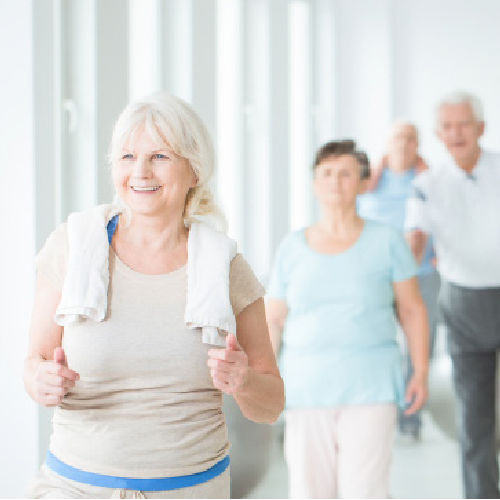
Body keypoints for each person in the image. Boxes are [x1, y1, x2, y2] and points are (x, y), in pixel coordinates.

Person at [24, 92, 284, 499]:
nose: (140, 172)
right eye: (127, 157)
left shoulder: (226, 266)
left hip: (190, 489)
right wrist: (40, 380)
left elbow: (270, 404)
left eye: (160, 156)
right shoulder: (72, 247)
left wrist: (243, 380)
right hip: (73, 487)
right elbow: (33, 363)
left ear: (194, 170)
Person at [265, 140, 429, 499]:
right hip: (305, 388)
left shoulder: (387, 241)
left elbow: (412, 310)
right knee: (309, 491)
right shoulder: (292, 246)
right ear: (313, 183)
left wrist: (419, 371)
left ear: (364, 183)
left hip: (371, 386)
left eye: (345, 174)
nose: (335, 181)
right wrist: (264, 377)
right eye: (326, 173)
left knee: (366, 491)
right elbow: (274, 317)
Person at [405, 91, 500, 499]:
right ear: (438, 134)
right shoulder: (427, 185)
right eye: (448, 126)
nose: (456, 133)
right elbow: (415, 242)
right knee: (474, 418)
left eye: (464, 124)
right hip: (463, 306)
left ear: (481, 128)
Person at [358, 121, 440, 440]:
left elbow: (445, 218)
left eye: (410, 138)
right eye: (397, 138)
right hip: (377, 278)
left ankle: (410, 417)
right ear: (387, 143)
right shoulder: (369, 181)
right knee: (376, 344)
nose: (403, 144)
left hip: (422, 277)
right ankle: (377, 412)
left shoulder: (429, 181)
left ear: (418, 144)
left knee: (420, 347)